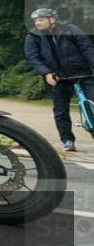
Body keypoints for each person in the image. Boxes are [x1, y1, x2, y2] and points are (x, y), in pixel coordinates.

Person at [24, 8, 94, 152]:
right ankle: (67, 140)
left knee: (92, 102)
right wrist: (46, 73)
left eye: (41, 20)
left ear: (52, 19)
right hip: (57, 77)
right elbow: (33, 57)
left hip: (82, 73)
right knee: (61, 110)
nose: (37, 23)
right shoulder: (33, 36)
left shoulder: (70, 30)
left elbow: (87, 48)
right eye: (35, 20)